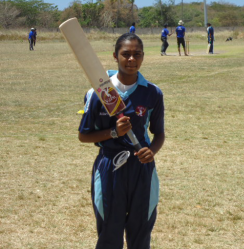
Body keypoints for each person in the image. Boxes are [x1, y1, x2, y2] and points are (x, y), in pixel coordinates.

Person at [78, 33, 165, 249]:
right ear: (115, 56)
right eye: (126, 54)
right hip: (110, 166)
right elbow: (84, 135)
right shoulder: (98, 92)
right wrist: (114, 133)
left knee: (141, 231)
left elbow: (159, 133)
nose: (131, 60)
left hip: (141, 168)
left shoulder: (152, 93)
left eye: (137, 55)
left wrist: (151, 151)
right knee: (109, 232)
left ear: (143, 57)